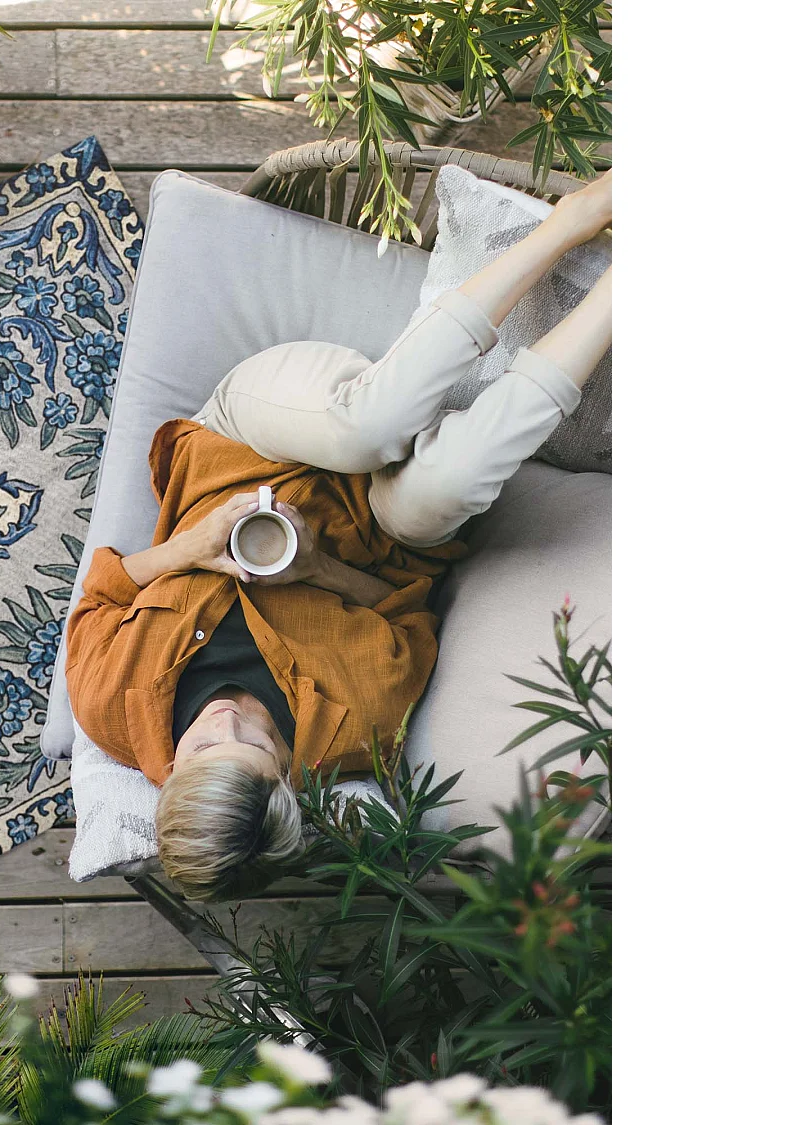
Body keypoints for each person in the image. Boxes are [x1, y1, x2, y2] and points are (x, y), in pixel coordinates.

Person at [64, 171, 613, 901]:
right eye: (255, 744)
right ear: (287, 778)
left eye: (200, 746)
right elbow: (409, 614)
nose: (225, 720)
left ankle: (571, 221)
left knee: (365, 429)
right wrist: (320, 570)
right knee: (450, 484)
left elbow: (105, 589)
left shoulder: (112, 703)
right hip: (374, 530)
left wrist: (193, 547)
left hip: (248, 440)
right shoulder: (353, 735)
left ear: (166, 774)